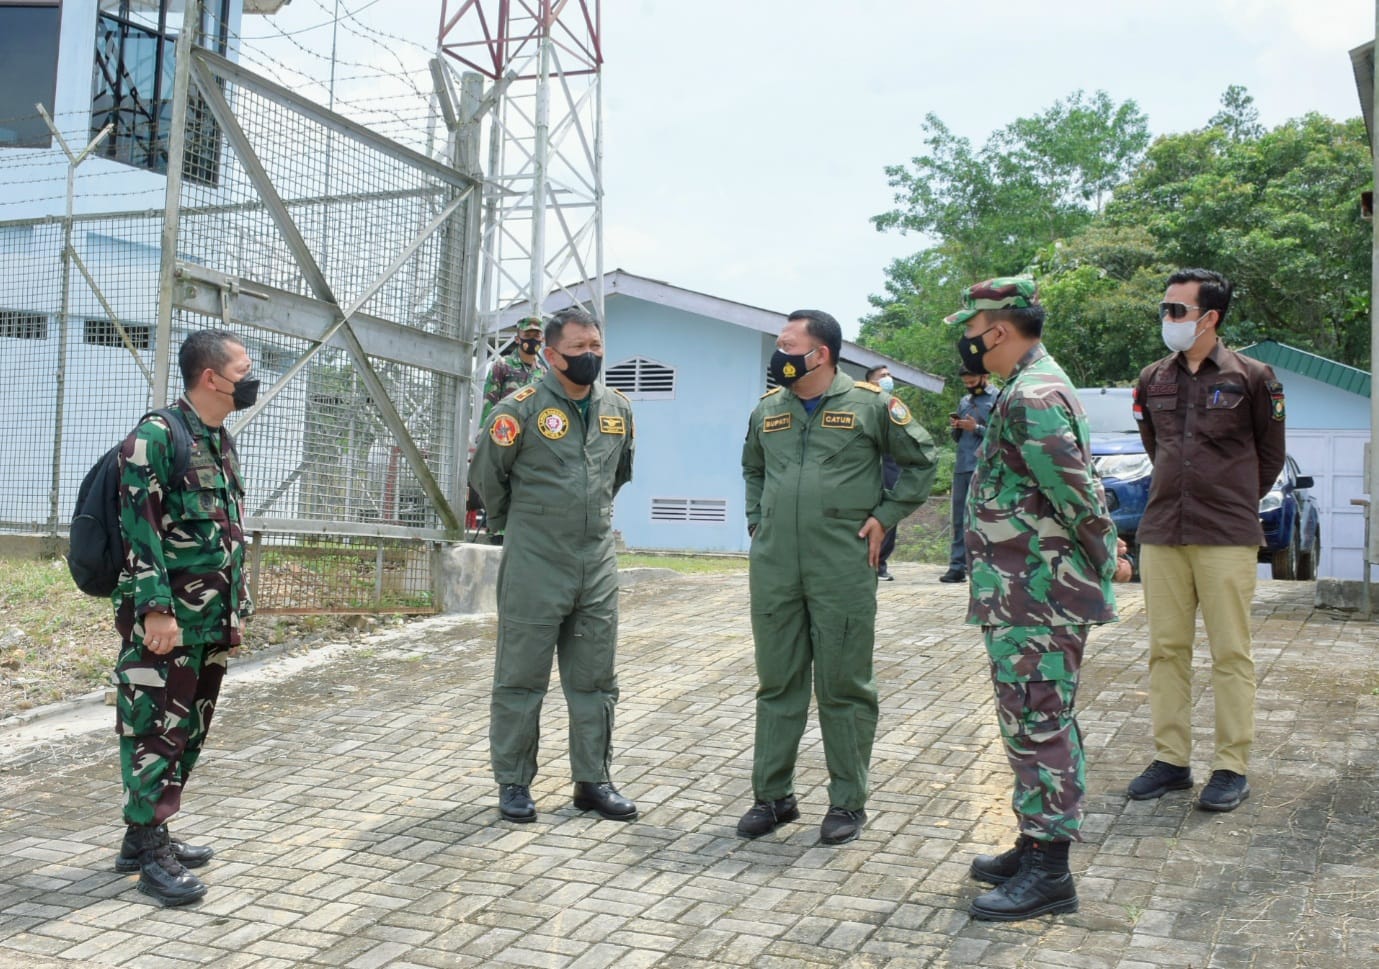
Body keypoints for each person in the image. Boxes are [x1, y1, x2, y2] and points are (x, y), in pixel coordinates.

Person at [947, 276, 1131, 921]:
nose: (966, 342)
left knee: (1039, 719)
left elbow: (1075, 492)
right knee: (1033, 717)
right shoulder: (1024, 386)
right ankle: (1034, 844)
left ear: (998, 329)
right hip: (1024, 588)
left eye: (970, 331)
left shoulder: (1033, 394)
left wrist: (1108, 555)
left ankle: (1051, 871)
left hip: (1039, 592)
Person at [739, 310, 937, 845]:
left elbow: (922, 462)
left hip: (842, 565)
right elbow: (753, 467)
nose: (778, 354)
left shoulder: (871, 406)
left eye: (787, 345)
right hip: (776, 564)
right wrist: (758, 518)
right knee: (777, 683)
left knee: (843, 686)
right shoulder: (768, 411)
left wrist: (885, 517)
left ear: (820, 353)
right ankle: (773, 797)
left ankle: (847, 802)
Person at [469, 306, 637, 825]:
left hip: (596, 561)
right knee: (521, 678)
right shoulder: (516, 410)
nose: (590, 356)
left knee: (595, 680)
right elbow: (488, 479)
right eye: (578, 350)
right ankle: (514, 783)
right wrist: (521, 525)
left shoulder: (618, 409)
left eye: (596, 347)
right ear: (549, 355)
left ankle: (593, 781)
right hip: (535, 559)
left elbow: (620, 473)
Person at [1126, 268, 1286, 813]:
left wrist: (1229, 498)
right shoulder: (1152, 378)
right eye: (1165, 309)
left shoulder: (1254, 377)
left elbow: (1268, 456)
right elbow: (1156, 447)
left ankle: (1230, 766)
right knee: (1165, 651)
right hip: (1164, 530)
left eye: (1177, 311)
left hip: (1225, 533)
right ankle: (1171, 760)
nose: (1167, 319)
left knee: (1230, 653)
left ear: (1209, 317)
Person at [111, 329, 257, 906]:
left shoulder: (217, 439)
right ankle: (149, 852)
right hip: (166, 620)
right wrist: (154, 609)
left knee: (186, 730)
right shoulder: (157, 435)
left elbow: (226, 533)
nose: (251, 378)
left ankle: (145, 834)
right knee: (153, 728)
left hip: (209, 621)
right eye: (244, 369)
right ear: (212, 378)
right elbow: (137, 531)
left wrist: (235, 611)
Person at [940, 365, 997, 584]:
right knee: (958, 519)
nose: (969, 386)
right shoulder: (964, 401)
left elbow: (1001, 435)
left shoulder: (998, 400)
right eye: (966, 383)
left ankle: (984, 567)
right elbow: (958, 438)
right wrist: (957, 426)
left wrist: (977, 428)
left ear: (985, 376)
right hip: (962, 466)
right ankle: (957, 567)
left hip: (984, 466)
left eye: (972, 381)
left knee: (981, 518)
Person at [864, 364, 902, 581]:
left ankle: (881, 564)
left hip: (890, 467)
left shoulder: (894, 405)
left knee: (889, 515)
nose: (888, 379)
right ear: (871, 381)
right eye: (883, 376)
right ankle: (865, 563)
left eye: (889, 375)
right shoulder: (861, 404)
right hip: (867, 469)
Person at [480, 316, 548, 423]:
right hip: (505, 431)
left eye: (536, 336)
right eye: (527, 335)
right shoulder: (502, 365)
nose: (532, 340)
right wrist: (483, 435)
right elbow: (489, 403)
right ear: (517, 339)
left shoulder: (544, 373)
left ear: (542, 340)